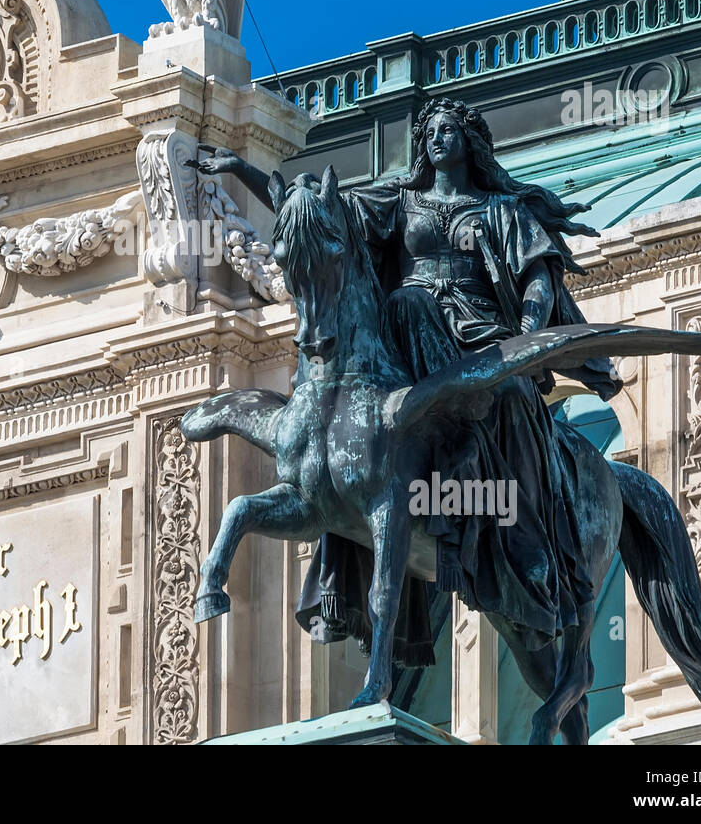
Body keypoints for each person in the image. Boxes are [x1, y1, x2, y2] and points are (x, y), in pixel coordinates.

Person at [194, 97, 621, 663]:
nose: (437, 140)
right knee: (404, 308)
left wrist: (524, 335)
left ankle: (524, 535)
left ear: (471, 143)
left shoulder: (501, 210)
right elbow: (316, 211)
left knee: (513, 398)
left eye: (448, 131)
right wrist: (243, 169)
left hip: (484, 341)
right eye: (430, 133)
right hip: (406, 336)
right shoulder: (401, 201)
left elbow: (538, 279)